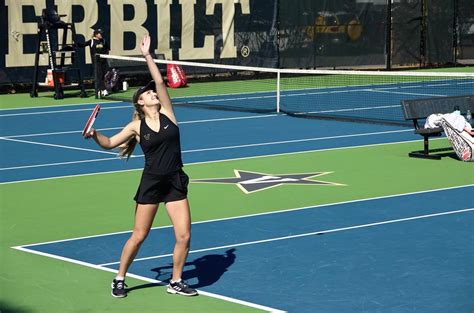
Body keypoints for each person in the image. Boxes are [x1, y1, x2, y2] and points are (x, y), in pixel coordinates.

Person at [83, 34, 197, 298]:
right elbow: (110, 142)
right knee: (139, 236)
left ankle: (176, 281)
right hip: (152, 183)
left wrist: (147, 55)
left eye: (152, 92)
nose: (153, 93)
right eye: (148, 94)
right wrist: (95, 135)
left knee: (184, 236)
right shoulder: (137, 126)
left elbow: (160, 80)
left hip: (175, 181)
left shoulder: (169, 113)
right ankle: (119, 277)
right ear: (140, 103)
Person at [78, 29, 110, 97]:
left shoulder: (103, 41)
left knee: (103, 76)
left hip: (103, 62)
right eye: (100, 34)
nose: (101, 35)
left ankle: (100, 89)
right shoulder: (91, 41)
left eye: (101, 33)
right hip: (96, 62)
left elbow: (107, 48)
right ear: (96, 34)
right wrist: (75, 42)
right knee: (99, 75)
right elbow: (82, 45)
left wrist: (106, 55)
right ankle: (102, 90)